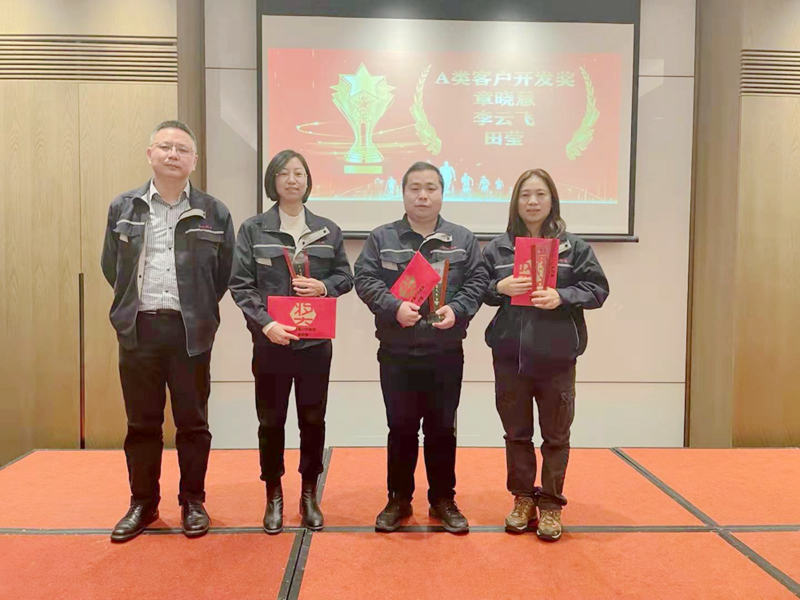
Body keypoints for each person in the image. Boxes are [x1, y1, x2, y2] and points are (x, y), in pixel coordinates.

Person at [101, 120, 235, 542]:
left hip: (190, 333)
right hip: (138, 329)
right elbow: (112, 267)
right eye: (165, 147)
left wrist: (197, 309)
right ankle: (143, 503)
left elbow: (223, 274)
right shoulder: (124, 207)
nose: (173, 155)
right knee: (142, 423)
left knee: (193, 423)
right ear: (150, 154)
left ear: (194, 159)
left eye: (182, 149)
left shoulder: (214, 212)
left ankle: (193, 501)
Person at [354, 161, 488, 534]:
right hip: (397, 352)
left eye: (431, 188)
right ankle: (398, 499)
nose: (423, 195)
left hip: (445, 351)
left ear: (442, 193)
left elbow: (478, 280)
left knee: (442, 428)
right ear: (403, 194)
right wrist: (393, 307)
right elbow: (364, 278)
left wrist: (457, 309)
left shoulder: (462, 239)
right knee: (400, 427)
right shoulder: (382, 238)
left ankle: (443, 499)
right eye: (415, 188)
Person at [229, 150, 353, 534]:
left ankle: (309, 493)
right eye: (284, 173)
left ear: (308, 181)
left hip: (315, 345)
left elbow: (345, 277)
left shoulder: (327, 230)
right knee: (271, 421)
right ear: (273, 181)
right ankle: (274, 494)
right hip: (272, 343)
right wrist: (266, 325)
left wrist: (323, 287)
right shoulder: (253, 230)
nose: (292, 180)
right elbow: (241, 285)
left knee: (313, 420)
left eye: (299, 173)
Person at [481, 169, 609, 541]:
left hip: (557, 357)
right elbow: (479, 289)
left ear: (552, 200)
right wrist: (500, 286)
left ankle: (551, 504)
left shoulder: (574, 247)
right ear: (515, 202)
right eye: (525, 195)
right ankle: (522, 498)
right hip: (510, 356)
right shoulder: (497, 249)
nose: (533, 202)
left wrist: (562, 296)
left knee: (556, 435)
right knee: (516, 434)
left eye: (540, 194)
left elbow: (598, 289)